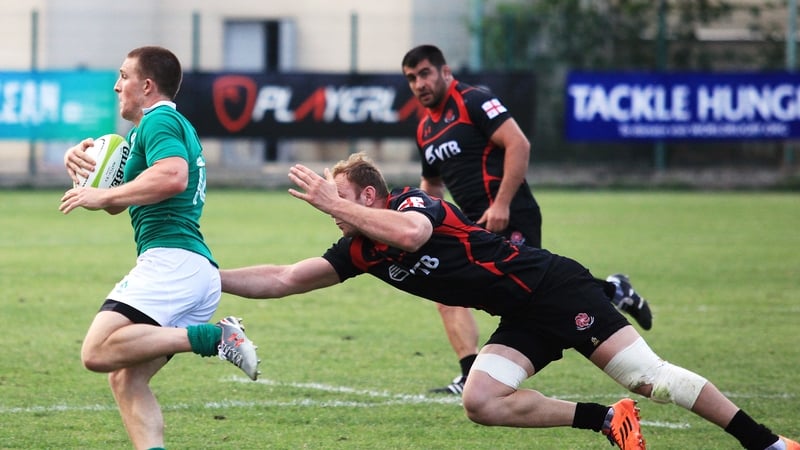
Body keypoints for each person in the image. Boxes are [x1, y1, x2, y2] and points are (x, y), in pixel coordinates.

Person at [219, 153, 797, 450]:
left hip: (555, 288)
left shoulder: (413, 207)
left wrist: (332, 202)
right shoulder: (361, 250)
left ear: (369, 195)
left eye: (339, 196)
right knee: (482, 400)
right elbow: (284, 277)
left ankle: (768, 442)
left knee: (652, 379)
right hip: (522, 313)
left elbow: (415, 238)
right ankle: (606, 423)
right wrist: (210, 278)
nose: (328, 205)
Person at [401, 44, 653, 395]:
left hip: (510, 212)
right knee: (447, 289)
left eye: (424, 73)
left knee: (532, 291)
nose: (418, 83)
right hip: (472, 224)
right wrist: (422, 220)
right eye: (411, 78)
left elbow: (519, 144)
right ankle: (469, 372)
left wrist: (502, 203)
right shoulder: (425, 128)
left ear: (445, 72)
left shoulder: (474, 101)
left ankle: (605, 304)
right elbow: (432, 184)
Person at [59, 46, 260, 450]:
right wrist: (84, 168)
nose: (117, 85)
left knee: (97, 352)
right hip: (192, 270)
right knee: (125, 377)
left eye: (123, 76)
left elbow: (173, 177)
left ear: (147, 85)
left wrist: (97, 198)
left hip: (172, 262)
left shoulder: (159, 120)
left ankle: (215, 337)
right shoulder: (153, 129)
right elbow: (119, 200)